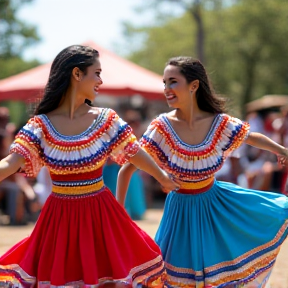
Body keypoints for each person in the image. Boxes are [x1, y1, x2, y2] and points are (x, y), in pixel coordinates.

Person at [0, 45, 180, 288]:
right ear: (77, 74)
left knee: (106, 278)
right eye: (96, 73)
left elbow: (134, 152)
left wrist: (162, 177)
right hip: (59, 218)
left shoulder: (106, 119)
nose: (100, 80)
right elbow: (12, 163)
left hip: (100, 213)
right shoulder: (40, 125)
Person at [117, 56, 288, 288]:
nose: (167, 89)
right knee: (174, 279)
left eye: (173, 82)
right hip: (180, 214)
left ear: (194, 85)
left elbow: (251, 137)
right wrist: (121, 218)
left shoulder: (219, 123)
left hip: (215, 205)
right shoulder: (161, 128)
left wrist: (281, 149)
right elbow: (126, 170)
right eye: (164, 83)